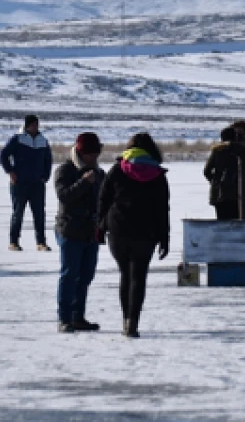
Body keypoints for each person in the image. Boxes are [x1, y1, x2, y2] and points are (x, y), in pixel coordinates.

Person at [97, 133, 170, 338]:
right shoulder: (157, 174)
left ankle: (125, 320)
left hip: (118, 230)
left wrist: (100, 227)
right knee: (138, 276)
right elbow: (163, 209)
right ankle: (133, 323)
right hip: (146, 232)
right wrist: (165, 238)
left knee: (125, 275)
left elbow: (103, 200)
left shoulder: (117, 170)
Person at [53, 132, 105, 333]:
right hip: (70, 231)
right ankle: (64, 318)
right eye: (90, 154)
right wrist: (84, 183)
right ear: (81, 153)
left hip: (91, 233)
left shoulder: (100, 173)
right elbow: (64, 196)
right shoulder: (65, 170)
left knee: (85, 276)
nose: (93, 158)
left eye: (96, 154)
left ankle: (78, 317)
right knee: (69, 275)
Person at [0, 114, 53, 252]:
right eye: (33, 124)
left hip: (37, 184)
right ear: (27, 125)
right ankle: (13, 242)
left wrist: (45, 176)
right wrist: (10, 171)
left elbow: (48, 160)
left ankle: (41, 243)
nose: (35, 127)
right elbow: (3, 155)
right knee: (18, 213)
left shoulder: (43, 141)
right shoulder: (18, 139)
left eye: (37, 124)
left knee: (39, 214)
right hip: (20, 183)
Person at [203, 127, 245, 221]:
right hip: (238, 195)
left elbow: (206, 171)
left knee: (222, 223)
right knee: (237, 224)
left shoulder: (217, 150)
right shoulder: (242, 151)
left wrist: (216, 182)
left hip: (219, 195)